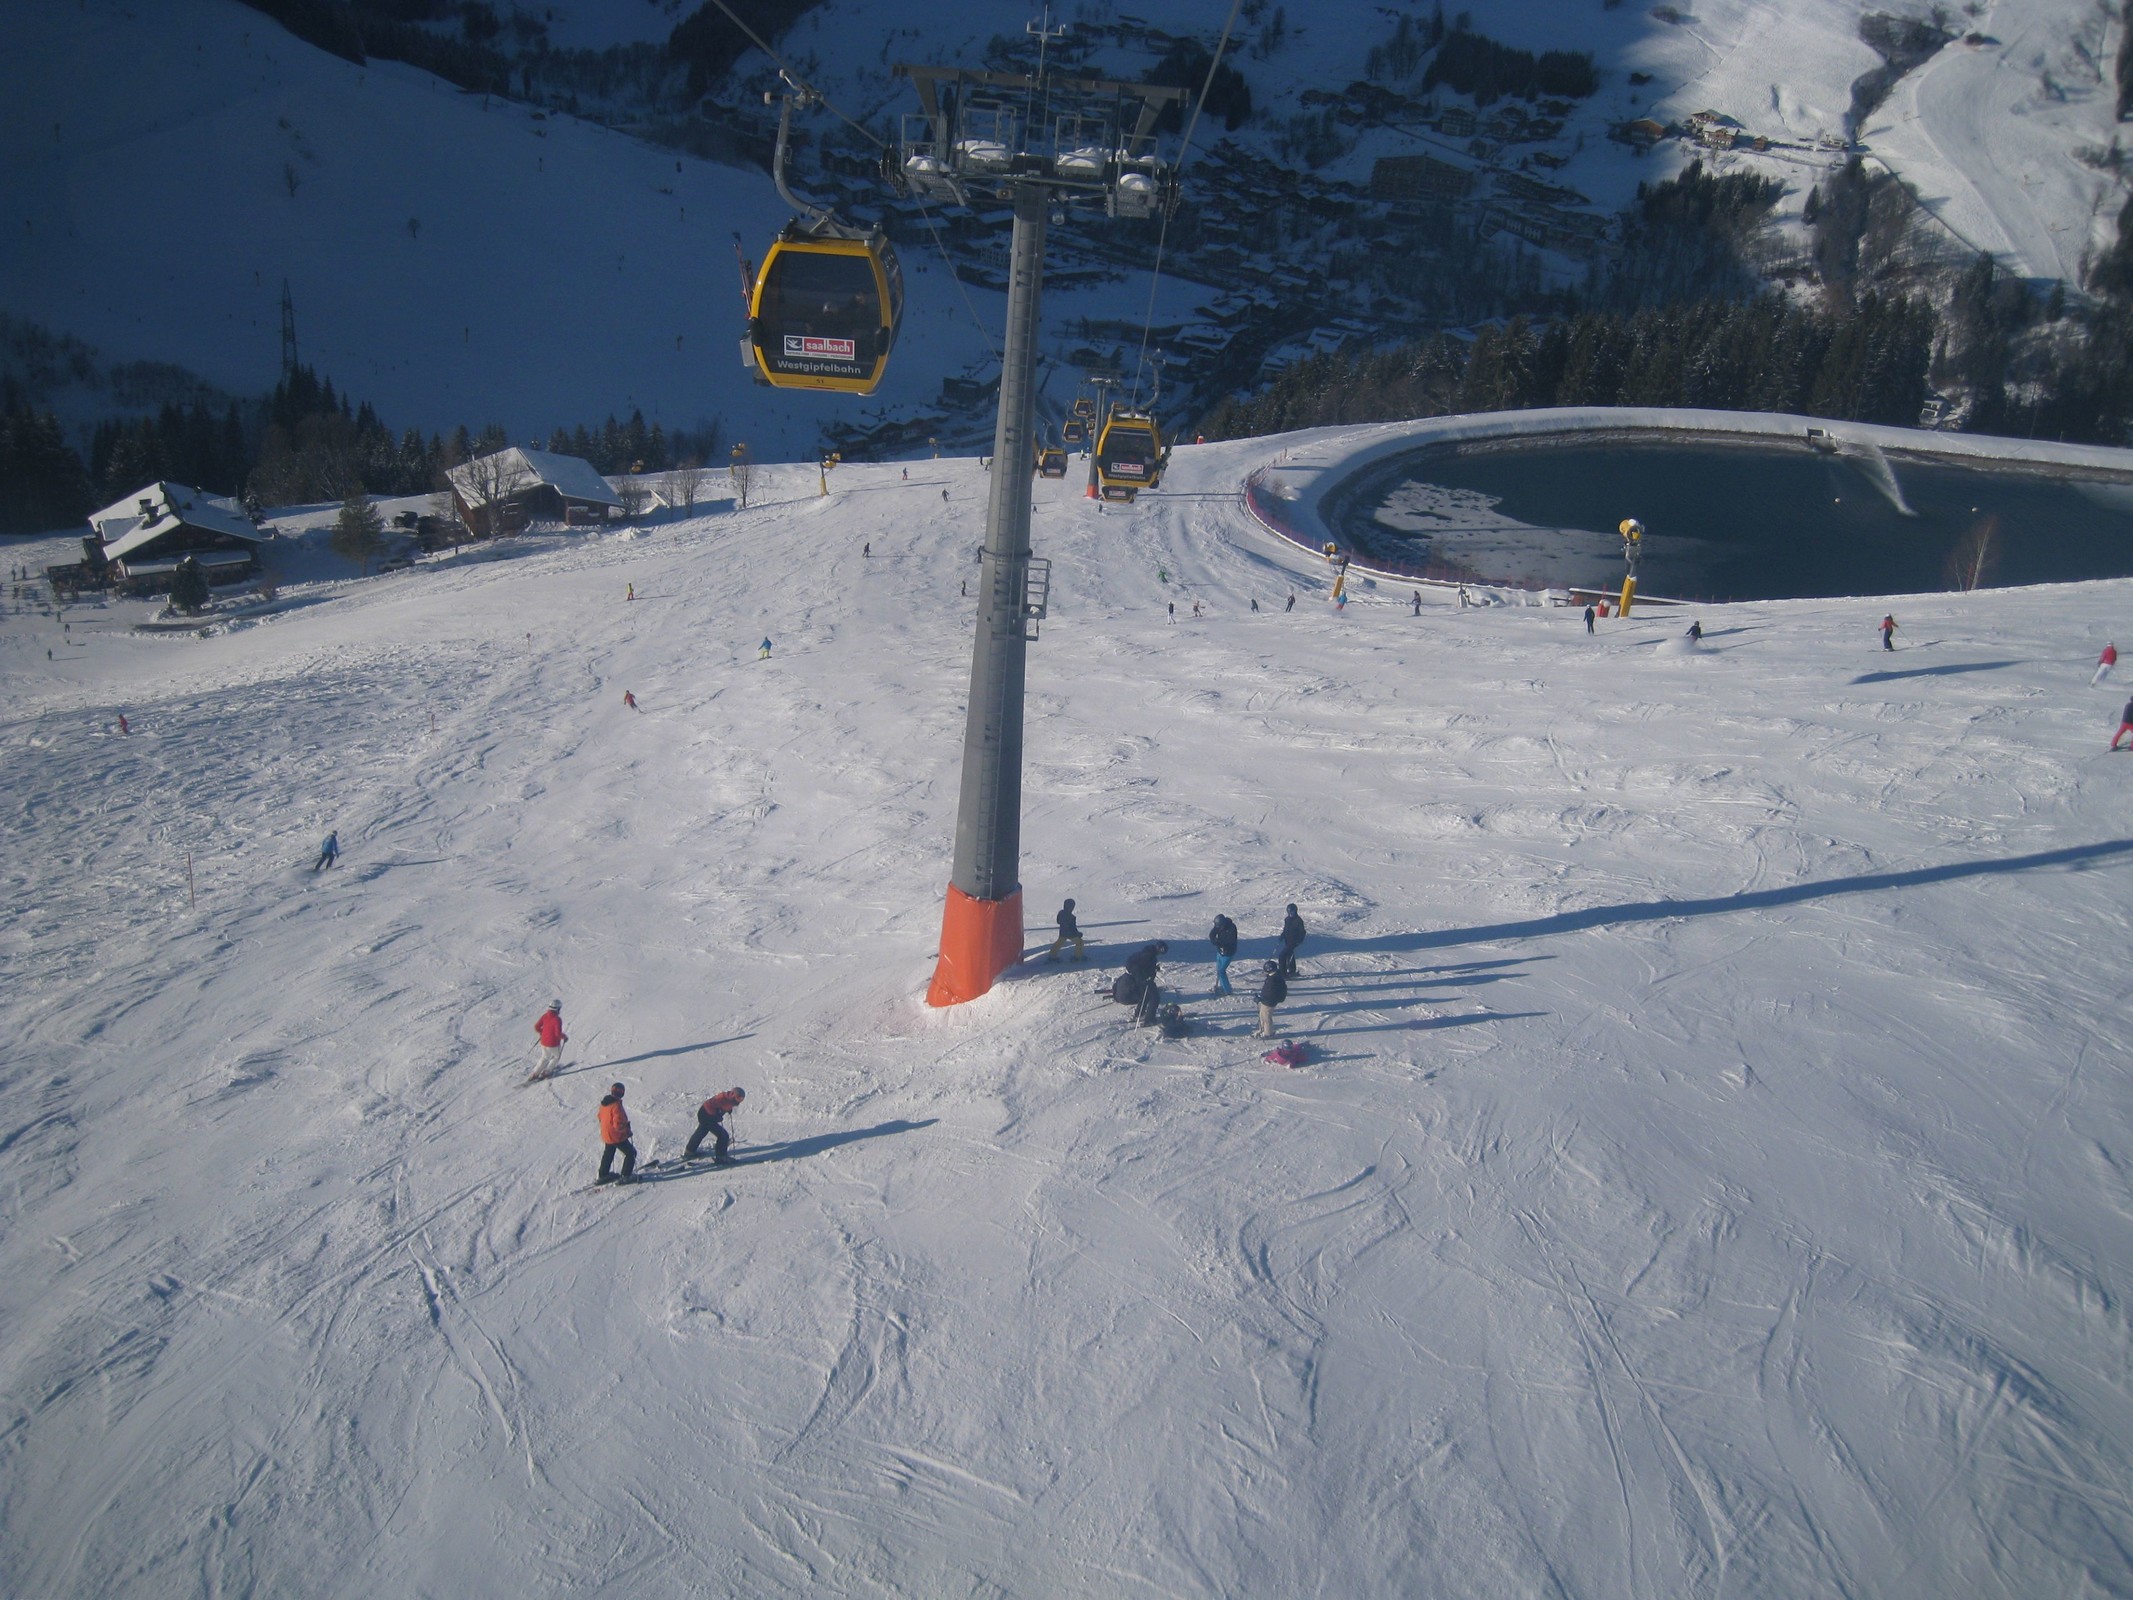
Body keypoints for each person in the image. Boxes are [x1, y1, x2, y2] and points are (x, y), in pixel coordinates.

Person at [685, 1087, 745, 1163]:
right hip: (706, 1115)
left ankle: (689, 1151)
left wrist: (727, 1109)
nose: (740, 1100)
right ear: (733, 1094)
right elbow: (709, 1106)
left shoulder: (731, 1099)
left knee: (701, 1131)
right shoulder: (722, 1098)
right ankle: (721, 1157)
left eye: (742, 1099)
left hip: (705, 1115)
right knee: (723, 1135)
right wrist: (716, 1116)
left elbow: (724, 1106)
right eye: (739, 1097)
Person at [596, 1082, 636, 1183]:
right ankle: (626, 1176)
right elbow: (618, 1125)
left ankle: (603, 1174)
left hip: (606, 1134)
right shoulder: (616, 1105)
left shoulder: (604, 1103)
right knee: (631, 1153)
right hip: (615, 1135)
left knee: (609, 1152)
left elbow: (600, 1117)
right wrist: (627, 1131)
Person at [1208, 912, 1239, 996]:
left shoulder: (1232, 928)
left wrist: (1218, 943)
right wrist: (1213, 940)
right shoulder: (1219, 926)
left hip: (1228, 953)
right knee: (1219, 969)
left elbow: (1229, 942)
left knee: (1222, 971)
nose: (1219, 928)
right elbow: (1212, 933)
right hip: (1220, 952)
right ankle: (1222, 986)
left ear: (1223, 924)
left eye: (1220, 926)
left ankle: (1227, 990)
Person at [534, 1000, 566, 1079]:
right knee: (556, 1057)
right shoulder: (557, 1019)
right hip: (553, 1044)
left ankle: (535, 1073)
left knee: (544, 1057)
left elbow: (536, 1027)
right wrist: (564, 1037)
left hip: (544, 1042)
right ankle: (547, 1072)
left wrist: (543, 1033)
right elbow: (557, 1034)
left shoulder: (544, 1016)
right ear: (558, 1009)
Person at [1255, 960, 1288, 1039]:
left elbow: (1269, 994)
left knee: (1266, 1017)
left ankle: (1268, 1034)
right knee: (1262, 1016)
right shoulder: (1275, 975)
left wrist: (1260, 999)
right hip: (1268, 1000)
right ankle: (1262, 1029)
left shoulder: (1273, 981)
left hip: (1269, 1002)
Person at [1047, 898, 1085, 962]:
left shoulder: (1061, 913)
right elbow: (1073, 928)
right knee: (1080, 942)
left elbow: (1058, 921)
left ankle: (1052, 956)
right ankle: (1078, 956)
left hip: (1063, 933)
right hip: (1070, 934)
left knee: (1058, 944)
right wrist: (1078, 934)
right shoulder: (1072, 917)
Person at [1276, 902, 1306, 977]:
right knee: (1289, 955)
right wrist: (1282, 935)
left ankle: (1283, 973)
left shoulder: (1298, 920)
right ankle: (1292, 971)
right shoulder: (1287, 919)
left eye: (1292, 912)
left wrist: (1299, 941)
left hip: (1294, 942)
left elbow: (1302, 932)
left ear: (1296, 911)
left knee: (1282, 956)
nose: (1291, 914)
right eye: (1289, 912)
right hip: (1287, 941)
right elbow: (1286, 929)